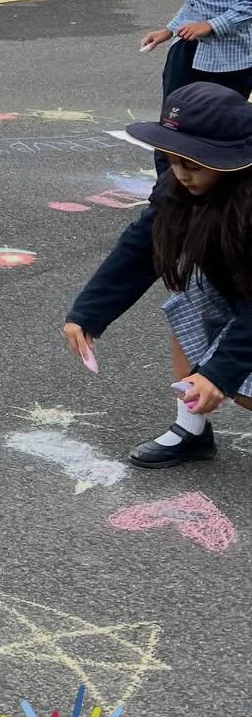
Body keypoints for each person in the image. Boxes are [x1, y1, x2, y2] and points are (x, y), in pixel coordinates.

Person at [64, 83, 252, 467]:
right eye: (171, 159)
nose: (180, 173)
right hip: (239, 284)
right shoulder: (180, 182)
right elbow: (143, 243)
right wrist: (88, 313)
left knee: (241, 390)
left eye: (192, 165)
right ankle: (191, 430)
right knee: (190, 300)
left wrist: (219, 373)